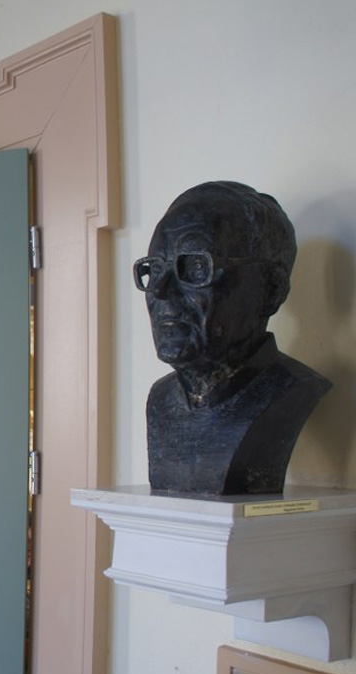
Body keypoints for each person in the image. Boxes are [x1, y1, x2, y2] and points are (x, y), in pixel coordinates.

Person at [134, 181, 331, 494]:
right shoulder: (161, 399)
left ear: (271, 289)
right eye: (155, 269)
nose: (160, 290)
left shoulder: (295, 388)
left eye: (196, 266)